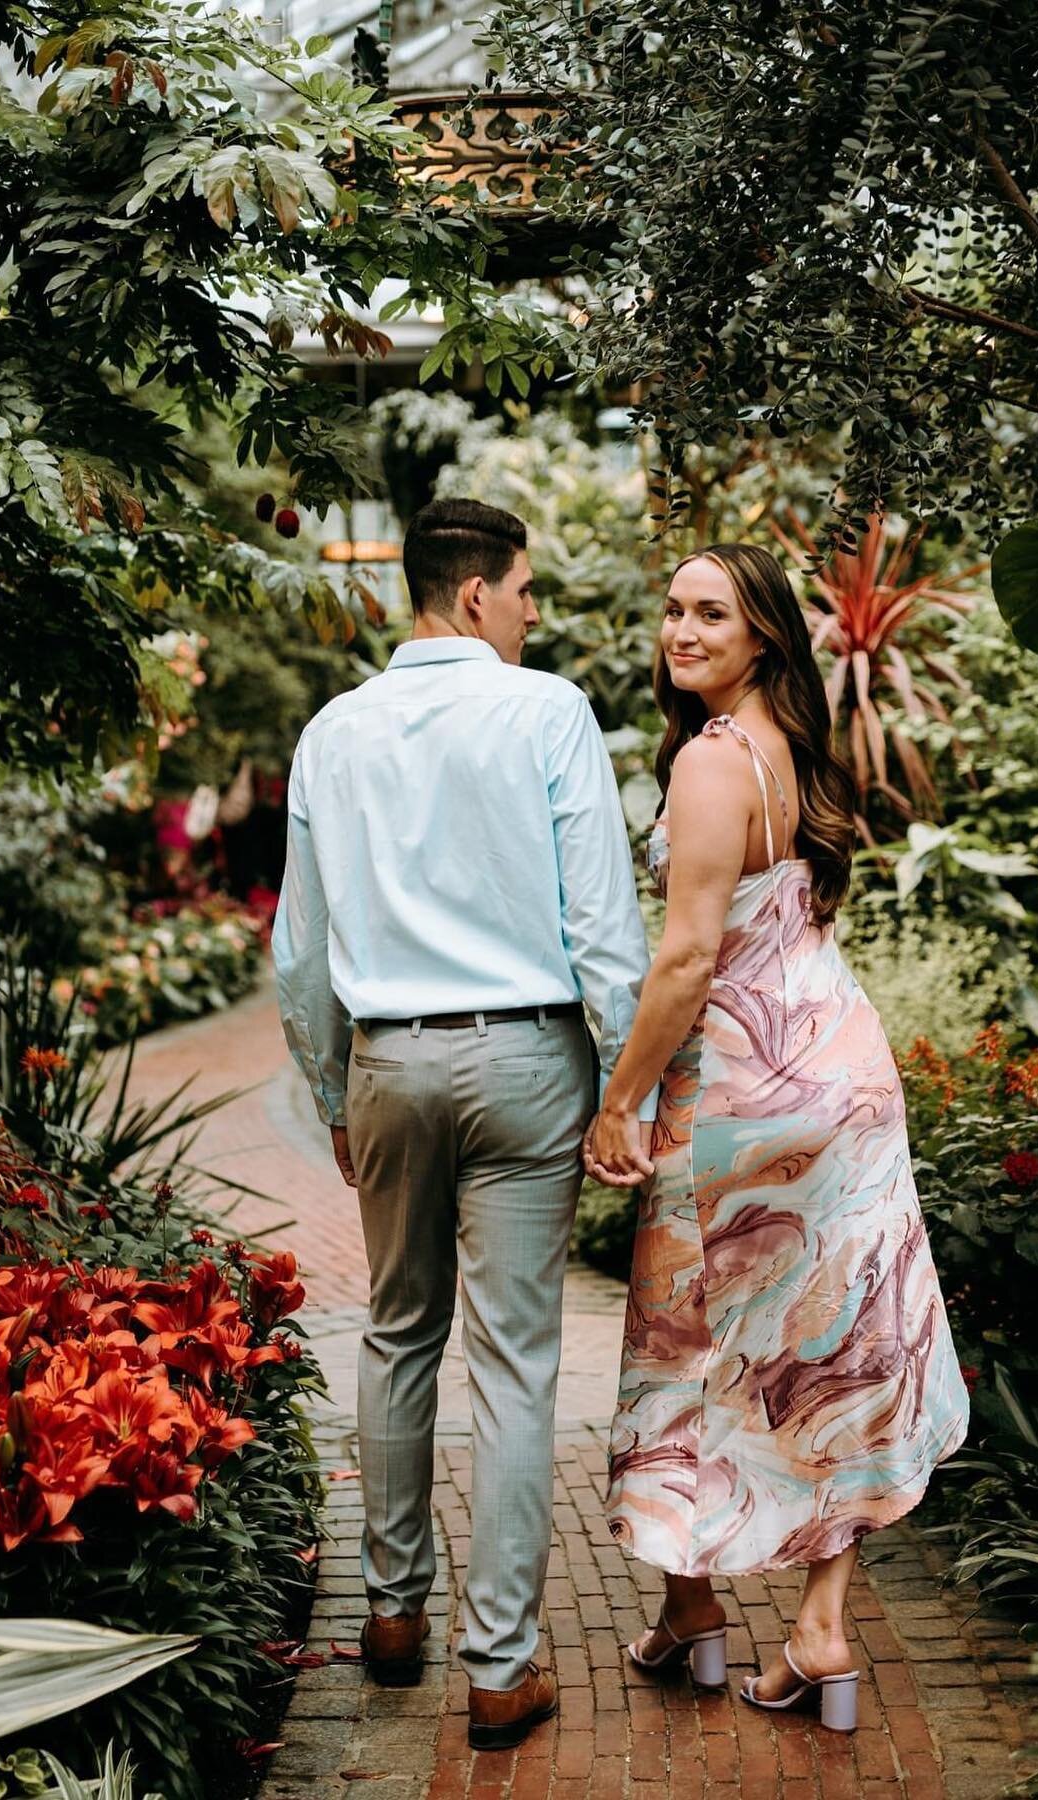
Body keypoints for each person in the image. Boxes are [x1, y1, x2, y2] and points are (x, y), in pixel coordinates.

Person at [273, 497, 654, 1750]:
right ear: (478, 594)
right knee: (515, 1362)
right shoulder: (544, 711)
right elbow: (603, 925)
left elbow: (300, 951)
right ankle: (500, 1670)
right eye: (528, 591)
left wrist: (336, 1092)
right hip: (528, 1060)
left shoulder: (332, 731)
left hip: (388, 1060)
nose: (537, 613)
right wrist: (624, 1084)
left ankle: (390, 1616)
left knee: (396, 1331)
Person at [586, 543, 969, 1731]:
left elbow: (691, 957)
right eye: (674, 608)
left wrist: (619, 1100)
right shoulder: (797, 752)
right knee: (834, 1352)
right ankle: (811, 1628)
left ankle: (696, 1609)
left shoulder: (711, 764)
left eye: (714, 614)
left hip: (745, 1099)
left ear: (764, 641)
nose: (682, 629)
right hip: (843, 1077)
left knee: (686, 1338)